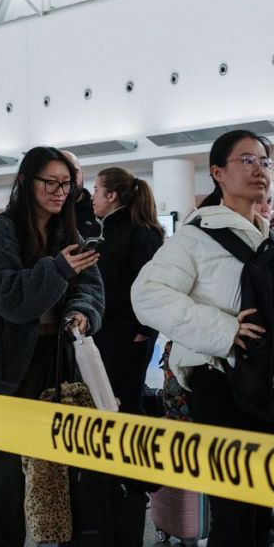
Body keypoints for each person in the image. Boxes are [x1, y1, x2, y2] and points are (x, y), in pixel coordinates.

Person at [132, 129, 274, 547]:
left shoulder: (266, 236)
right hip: (222, 387)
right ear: (217, 174)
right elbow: (147, 296)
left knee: (259, 514)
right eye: (245, 160)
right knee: (232, 518)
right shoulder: (197, 236)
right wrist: (224, 332)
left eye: (265, 161)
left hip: (269, 392)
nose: (259, 169)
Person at [0, 146, 104, 547]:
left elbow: (92, 285)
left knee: (61, 455)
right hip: (13, 362)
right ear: (28, 182)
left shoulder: (72, 230)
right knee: (3, 461)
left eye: (66, 183)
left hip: (60, 357)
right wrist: (57, 270)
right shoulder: (3, 232)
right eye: (50, 182)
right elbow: (8, 298)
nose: (59, 191)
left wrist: (82, 311)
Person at [89, 166, 164, 414]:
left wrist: (144, 332)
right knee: (109, 401)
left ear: (111, 196)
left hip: (128, 335)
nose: (93, 197)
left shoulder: (141, 233)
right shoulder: (109, 231)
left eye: (96, 190)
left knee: (126, 402)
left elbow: (154, 286)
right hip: (108, 332)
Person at [63, 150, 101, 239]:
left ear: (82, 175)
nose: (70, 177)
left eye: (74, 171)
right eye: (65, 172)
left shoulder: (100, 209)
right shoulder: (46, 210)